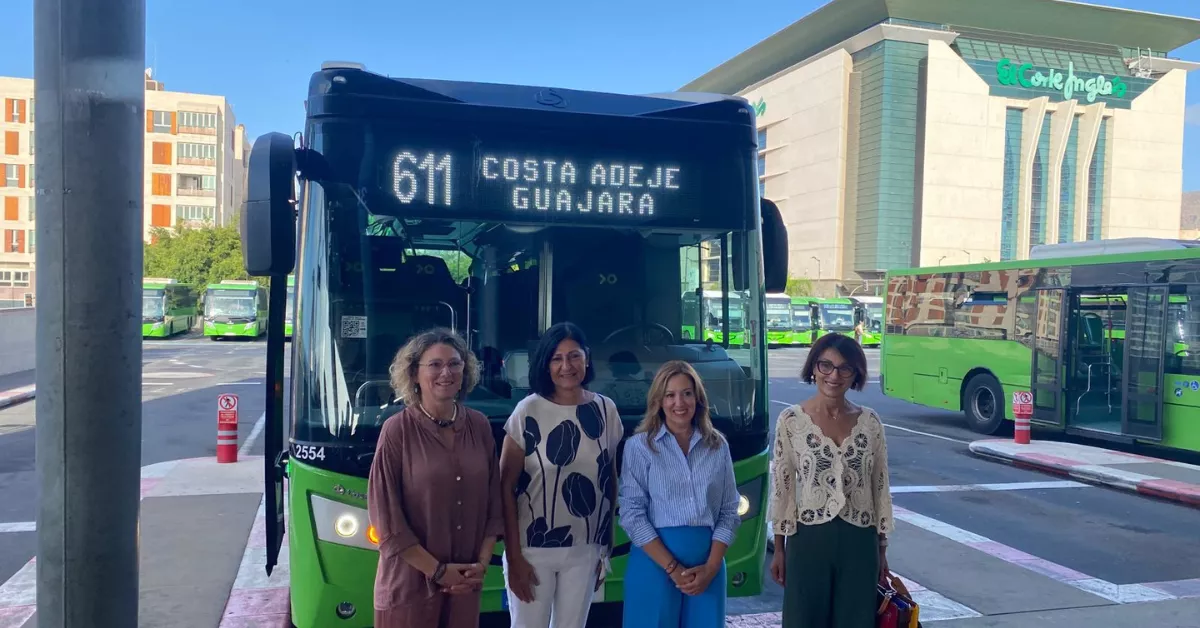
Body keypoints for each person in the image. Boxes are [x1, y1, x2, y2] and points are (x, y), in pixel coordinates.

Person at [367, 328, 503, 628]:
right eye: (435, 364)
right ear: (414, 374)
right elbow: (387, 520)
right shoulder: (396, 431)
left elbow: (494, 506)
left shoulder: (480, 426)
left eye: (455, 364)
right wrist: (439, 572)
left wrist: (480, 565)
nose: (446, 372)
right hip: (409, 589)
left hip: (465, 587)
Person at [499, 322, 625, 628]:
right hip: (532, 549)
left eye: (574, 356)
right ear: (546, 364)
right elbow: (504, 487)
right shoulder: (527, 411)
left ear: (587, 358)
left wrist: (605, 548)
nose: (566, 366)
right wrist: (514, 557)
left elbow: (609, 480)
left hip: (586, 549)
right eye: (557, 358)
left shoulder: (606, 410)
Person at [768, 333, 894, 628]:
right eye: (826, 365)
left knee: (857, 620)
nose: (834, 376)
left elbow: (879, 486)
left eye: (844, 368)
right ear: (814, 367)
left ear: (855, 374)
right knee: (803, 620)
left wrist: (881, 549)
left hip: (860, 542)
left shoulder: (870, 422)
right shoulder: (791, 421)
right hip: (808, 540)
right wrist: (780, 549)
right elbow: (783, 489)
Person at [618, 361, 740, 628]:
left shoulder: (717, 445)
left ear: (698, 398)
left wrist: (711, 567)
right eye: (670, 395)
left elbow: (729, 511)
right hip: (654, 566)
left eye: (686, 393)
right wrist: (673, 568)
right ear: (658, 401)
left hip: (707, 569)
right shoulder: (639, 447)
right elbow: (631, 514)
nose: (679, 403)